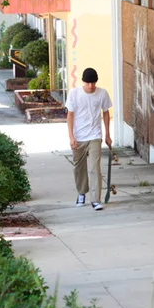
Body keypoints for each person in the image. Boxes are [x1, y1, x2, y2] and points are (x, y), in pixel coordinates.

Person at [66, 68, 113, 211]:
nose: (91, 86)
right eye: (88, 83)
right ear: (83, 82)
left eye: (93, 83)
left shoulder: (102, 94)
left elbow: (105, 113)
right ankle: (81, 193)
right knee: (79, 168)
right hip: (79, 137)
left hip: (95, 136)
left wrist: (107, 135)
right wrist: (71, 137)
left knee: (94, 168)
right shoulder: (74, 94)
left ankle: (95, 199)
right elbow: (70, 116)